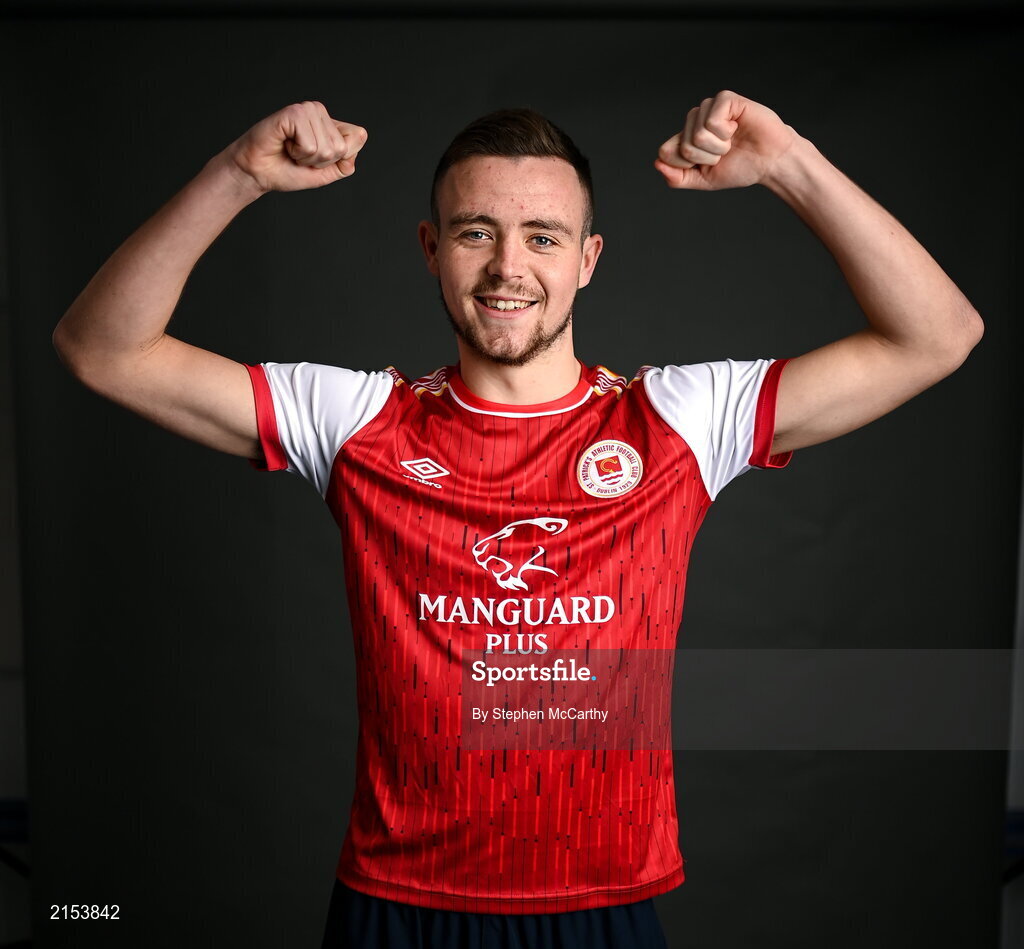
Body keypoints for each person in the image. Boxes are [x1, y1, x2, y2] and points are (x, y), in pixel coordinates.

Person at [52, 92, 982, 948]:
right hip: (397, 900)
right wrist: (238, 174)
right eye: (475, 232)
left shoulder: (680, 422)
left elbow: (938, 333)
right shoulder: (357, 422)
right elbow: (102, 349)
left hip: (603, 901)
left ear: (589, 259)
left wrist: (790, 164)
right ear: (429, 247)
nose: (508, 266)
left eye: (543, 237)